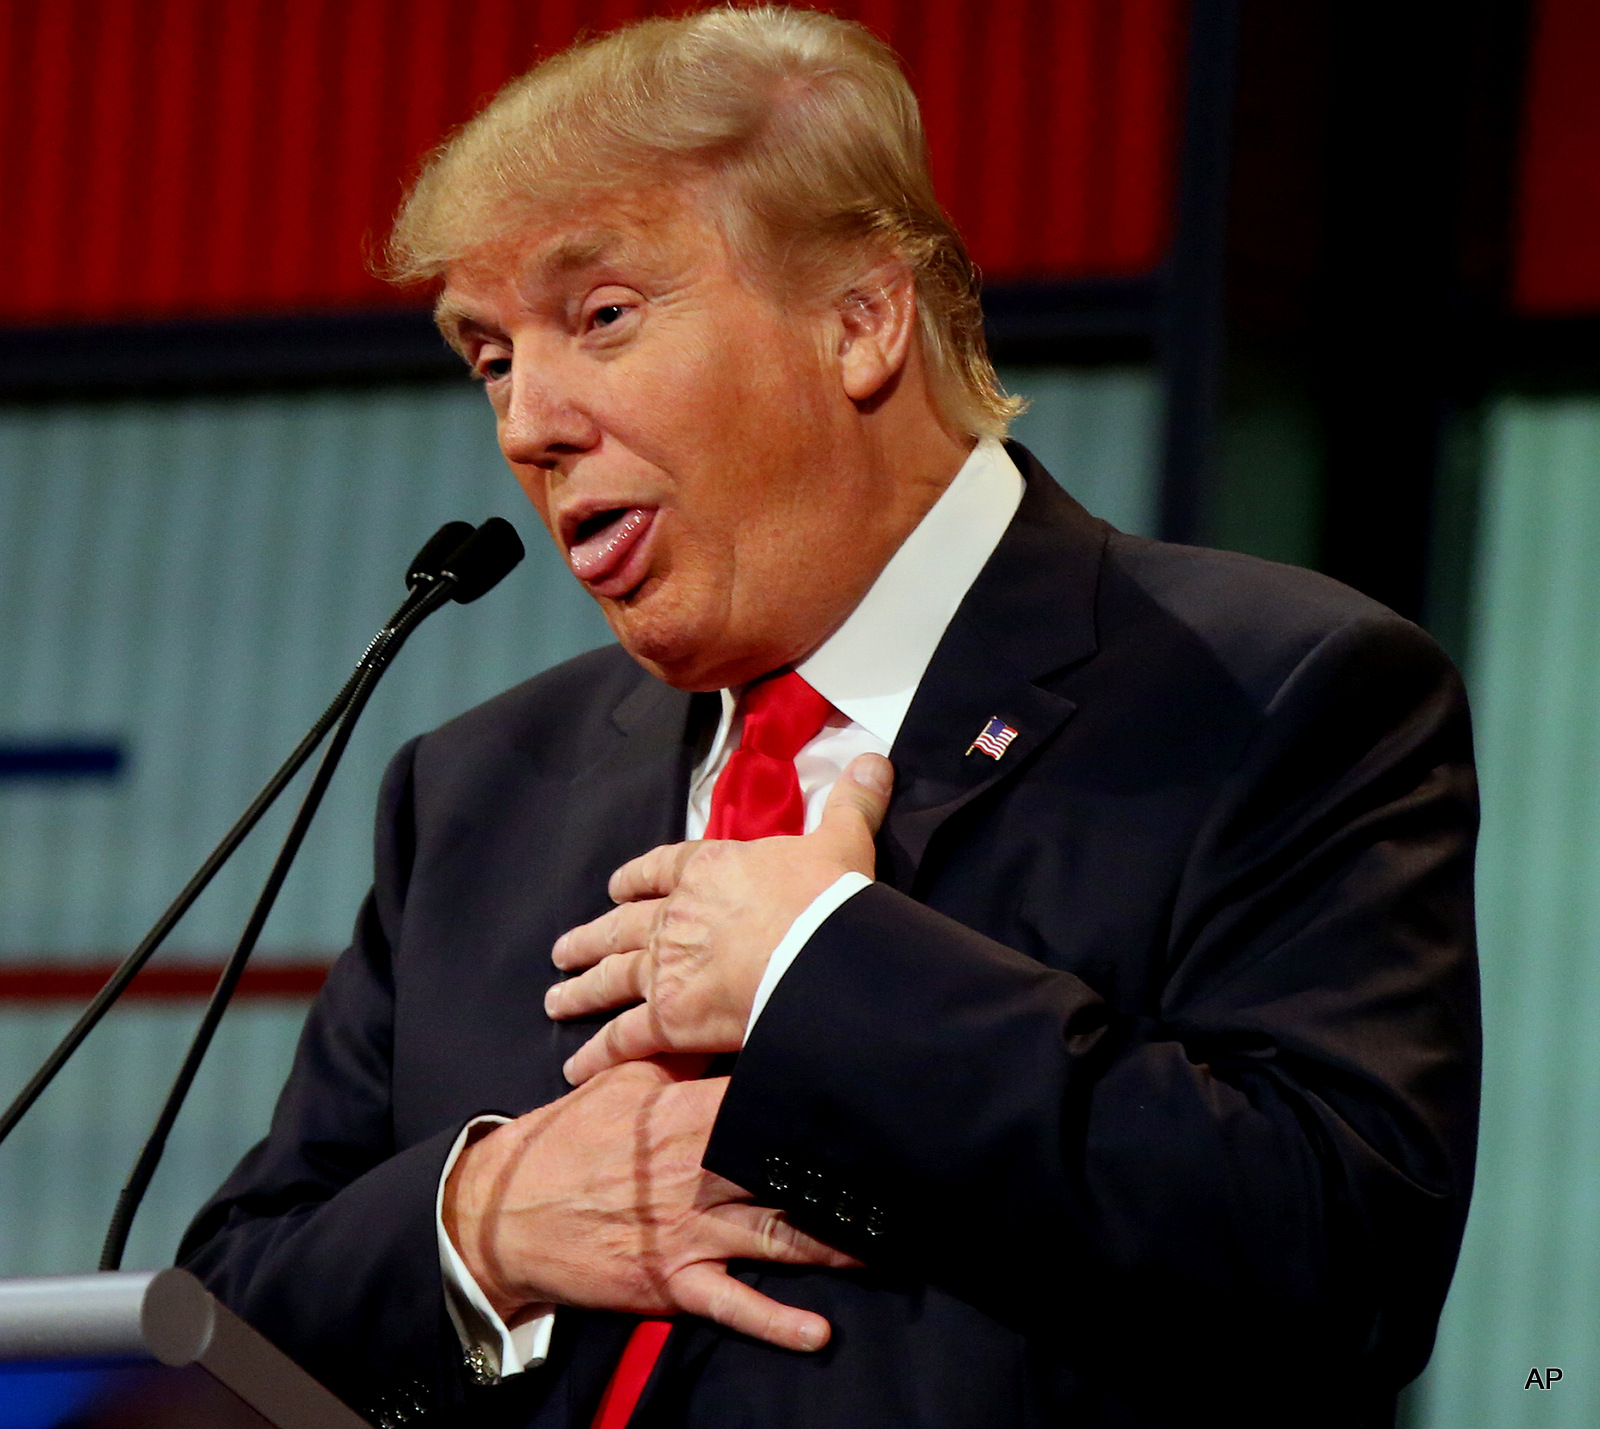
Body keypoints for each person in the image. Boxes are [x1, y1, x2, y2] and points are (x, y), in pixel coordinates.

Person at [178, 8, 1481, 1427]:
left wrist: (820, 971)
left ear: (862, 320)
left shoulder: (1275, 691)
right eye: (489, 356)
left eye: (601, 316)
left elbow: (1337, 1263)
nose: (526, 423)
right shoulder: (475, 787)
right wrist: (482, 1219)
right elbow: (227, 1314)